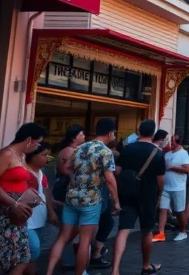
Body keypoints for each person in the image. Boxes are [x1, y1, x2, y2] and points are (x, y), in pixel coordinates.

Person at [46, 118, 121, 275]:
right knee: (84, 241)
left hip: (72, 196)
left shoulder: (80, 148)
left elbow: (68, 169)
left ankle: (49, 271)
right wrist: (116, 201)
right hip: (91, 199)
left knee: (63, 237)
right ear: (110, 133)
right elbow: (110, 179)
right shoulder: (105, 152)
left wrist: (78, 181)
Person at [0, 122, 48, 275]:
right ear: (28, 140)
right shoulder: (6, 154)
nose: (37, 146)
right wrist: (11, 202)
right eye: (37, 142)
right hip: (3, 210)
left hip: (17, 213)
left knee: (22, 258)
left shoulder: (22, 156)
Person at [111, 119, 165, 275]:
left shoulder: (127, 149)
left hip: (127, 194)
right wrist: (159, 195)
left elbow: (117, 171)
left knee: (123, 230)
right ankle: (146, 266)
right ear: (153, 134)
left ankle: (115, 269)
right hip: (148, 196)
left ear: (139, 131)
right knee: (147, 231)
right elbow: (161, 180)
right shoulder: (157, 153)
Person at [25, 143, 58, 275]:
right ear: (33, 156)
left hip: (39, 218)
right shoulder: (24, 172)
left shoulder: (41, 173)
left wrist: (51, 211)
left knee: (33, 250)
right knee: (34, 248)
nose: (47, 158)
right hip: (27, 219)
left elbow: (46, 192)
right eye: (44, 155)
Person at [153, 135, 189, 243]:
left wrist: (172, 167)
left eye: (173, 142)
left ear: (178, 143)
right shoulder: (167, 154)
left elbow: (187, 169)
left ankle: (183, 231)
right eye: (171, 141)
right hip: (166, 187)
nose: (171, 144)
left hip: (178, 188)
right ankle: (161, 233)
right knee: (163, 209)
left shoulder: (184, 154)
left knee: (179, 211)